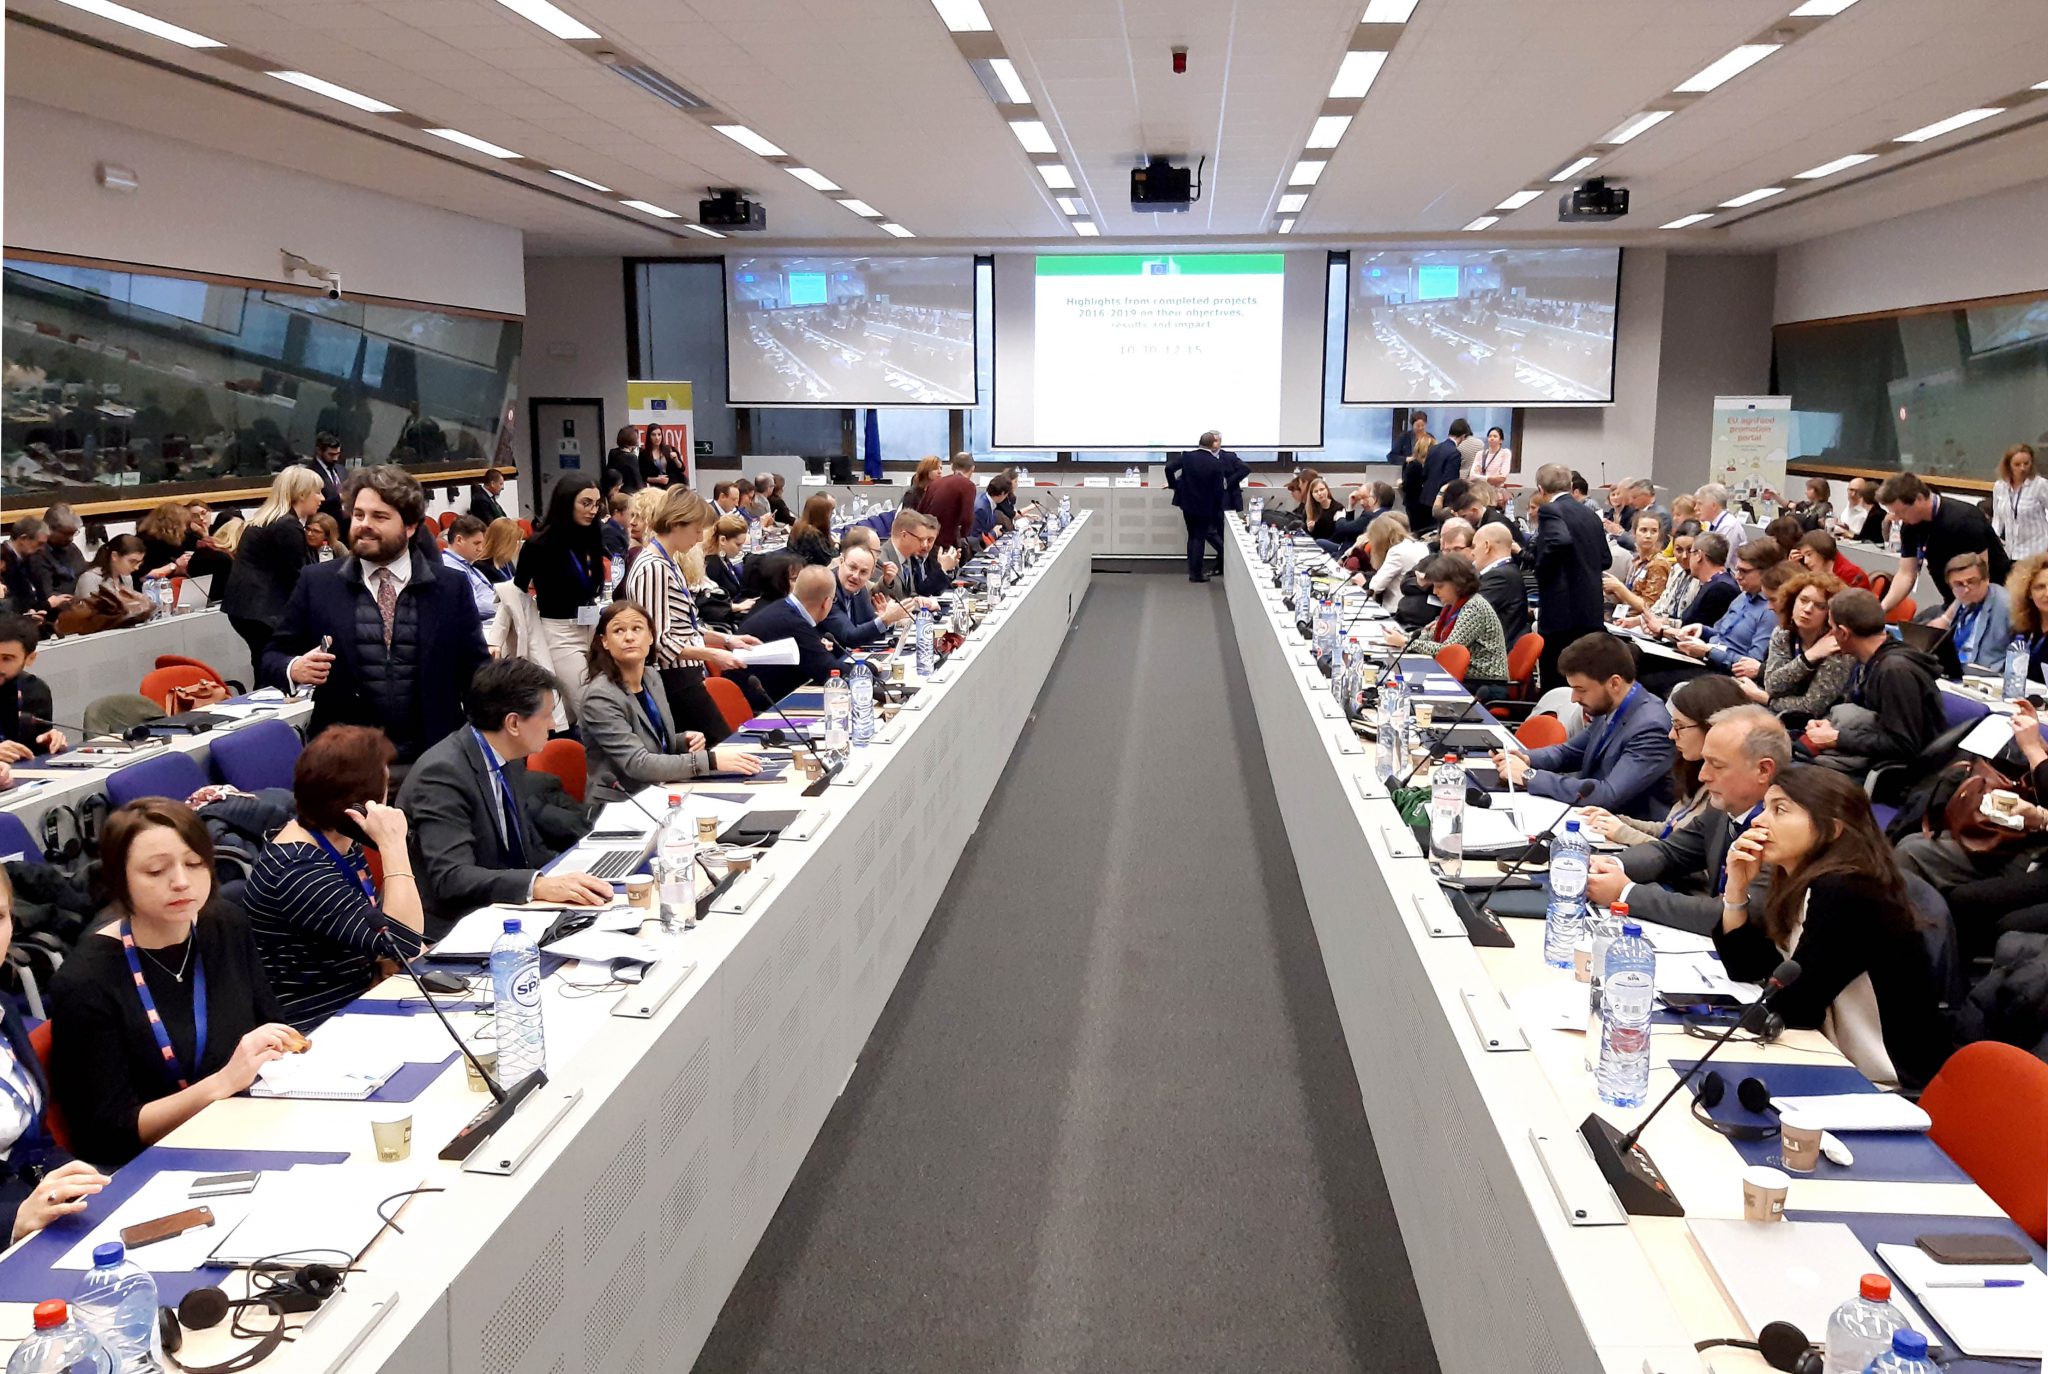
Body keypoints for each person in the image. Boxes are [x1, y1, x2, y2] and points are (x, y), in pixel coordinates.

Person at [46, 800, 297, 1166]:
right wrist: (220, 1084)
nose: (181, 881)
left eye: (194, 864)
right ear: (120, 879)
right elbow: (106, 1134)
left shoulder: (225, 924)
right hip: (153, 1162)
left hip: (248, 1126)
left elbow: (270, 1025)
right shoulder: (86, 980)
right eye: (156, 870)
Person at [1717, 767, 1951, 1088]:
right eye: (1764, 807)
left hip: (1884, 1079)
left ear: (1832, 829)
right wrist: (1736, 890)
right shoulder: (1807, 882)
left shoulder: (1848, 892)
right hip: (1834, 1056)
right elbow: (1750, 967)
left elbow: (1797, 1007)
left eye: (1780, 810)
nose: (1758, 821)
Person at [262, 465, 491, 768]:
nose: (364, 525)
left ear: (410, 527)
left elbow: (475, 671)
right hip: (349, 762)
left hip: (433, 758)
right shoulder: (317, 583)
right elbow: (272, 656)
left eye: (379, 517)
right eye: (359, 515)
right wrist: (294, 668)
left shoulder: (450, 586)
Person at [395, 658, 612, 931]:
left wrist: (574, 876)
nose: (552, 725)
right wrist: (537, 885)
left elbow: (522, 850)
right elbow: (452, 876)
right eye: (546, 715)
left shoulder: (506, 757)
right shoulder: (442, 774)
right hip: (452, 926)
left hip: (505, 910)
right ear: (513, 723)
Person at [244, 726, 424, 1029]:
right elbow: (404, 941)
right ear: (359, 805)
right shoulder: (297, 870)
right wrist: (393, 844)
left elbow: (386, 938)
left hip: (362, 998)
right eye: (384, 789)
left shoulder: (338, 840)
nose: (387, 802)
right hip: (319, 1025)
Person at [1582, 703, 1789, 935]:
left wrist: (1625, 893)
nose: (1703, 775)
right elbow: (1670, 852)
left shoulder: (1785, 833)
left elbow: (1736, 914)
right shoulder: (1723, 809)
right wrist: (1610, 865)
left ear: (1763, 770)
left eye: (1717, 765)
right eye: (1705, 761)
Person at [0, 867, 110, 1241]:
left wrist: (88, 1182)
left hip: (41, 1211)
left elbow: (34, 1143)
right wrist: (11, 1221)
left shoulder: (3, 1010)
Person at [581, 602, 762, 803]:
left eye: (637, 628)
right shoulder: (600, 697)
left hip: (661, 791)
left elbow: (649, 742)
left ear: (651, 636)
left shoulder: (651, 677)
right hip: (621, 805)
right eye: (618, 631)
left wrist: (680, 741)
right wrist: (710, 760)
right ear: (605, 641)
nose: (629, 637)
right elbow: (638, 763)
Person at [623, 487, 763, 743]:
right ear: (676, 524)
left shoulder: (668, 562)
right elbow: (659, 642)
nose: (700, 538)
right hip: (672, 680)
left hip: (685, 675)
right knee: (721, 746)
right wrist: (713, 654)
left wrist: (726, 640)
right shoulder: (652, 567)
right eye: (697, 530)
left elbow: (683, 625)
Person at [1493, 633, 1674, 816]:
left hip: (1625, 824)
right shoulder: (1611, 706)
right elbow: (1569, 752)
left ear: (1614, 683)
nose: (1573, 698)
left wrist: (1530, 776)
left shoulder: (1651, 727)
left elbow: (1608, 795)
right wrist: (1526, 758)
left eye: (1581, 690)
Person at [1579, 675, 1753, 849]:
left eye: (1679, 726)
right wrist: (1617, 821)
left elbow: (1686, 858)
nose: (1671, 735)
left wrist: (1623, 832)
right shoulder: (1693, 768)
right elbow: (1669, 830)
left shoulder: (1728, 791)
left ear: (1711, 727)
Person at [1802, 588, 1945, 774]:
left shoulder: (1895, 672)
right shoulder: (1869, 660)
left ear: (1843, 633)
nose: (1830, 634)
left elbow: (1904, 744)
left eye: (1832, 628)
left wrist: (1837, 738)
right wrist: (1828, 727)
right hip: (1866, 758)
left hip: (1897, 776)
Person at [514, 476, 608, 720]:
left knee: (596, 699)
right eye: (586, 503)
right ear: (566, 502)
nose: (593, 510)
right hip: (559, 632)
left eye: (596, 504)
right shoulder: (539, 544)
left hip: (591, 627)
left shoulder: (590, 535)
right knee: (587, 704)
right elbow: (518, 588)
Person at [222, 466, 321, 678]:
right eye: (317, 492)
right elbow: (298, 577)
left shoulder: (263, 520)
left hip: (244, 609)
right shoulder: (287, 525)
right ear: (302, 494)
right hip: (264, 610)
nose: (321, 498)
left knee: (263, 662)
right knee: (275, 667)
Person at [1523, 462, 1606, 690]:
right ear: (1570, 486)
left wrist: (1542, 570)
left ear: (1541, 489)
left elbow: (1559, 541)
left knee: (1556, 680)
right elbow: (1605, 559)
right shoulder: (1590, 514)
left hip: (1561, 611)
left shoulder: (1550, 510)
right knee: (1584, 682)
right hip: (1590, 611)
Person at [1878, 472, 2010, 613]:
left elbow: (1980, 581)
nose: (1898, 518)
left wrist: (1947, 618)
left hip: (1989, 602)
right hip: (1954, 600)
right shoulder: (1910, 526)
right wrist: (1881, 609)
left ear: (1919, 498)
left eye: (1901, 511)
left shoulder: (1964, 520)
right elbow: (1906, 574)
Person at [1662, 537, 1782, 680]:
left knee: (1655, 677)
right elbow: (1719, 633)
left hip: (1725, 675)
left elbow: (1751, 665)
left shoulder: (1771, 611)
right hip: (1707, 660)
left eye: (1744, 571)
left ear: (1766, 572)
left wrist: (1708, 651)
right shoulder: (1743, 597)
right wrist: (1702, 630)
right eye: (1737, 570)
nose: (1738, 577)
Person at [1740, 570, 1852, 722]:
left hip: (1820, 725)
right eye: (1803, 600)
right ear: (1792, 601)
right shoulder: (1783, 633)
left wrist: (1767, 700)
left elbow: (1812, 707)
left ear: (1831, 614)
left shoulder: (1838, 647)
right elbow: (1772, 685)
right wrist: (1810, 657)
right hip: (1778, 714)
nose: (1807, 609)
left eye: (1820, 606)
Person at [738, 565, 855, 700]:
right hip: (758, 704)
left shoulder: (784, 609)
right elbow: (830, 672)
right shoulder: (793, 622)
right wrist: (869, 668)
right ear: (827, 602)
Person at [1403, 554, 1507, 699]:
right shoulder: (1454, 606)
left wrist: (1407, 642)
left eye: (1439, 586)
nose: (1434, 592)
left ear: (1458, 584)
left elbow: (1447, 650)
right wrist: (1406, 638)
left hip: (1485, 684)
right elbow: (1431, 637)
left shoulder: (1474, 608)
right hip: (1467, 678)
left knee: (1411, 690)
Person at [1921, 550, 2012, 670]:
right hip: (1954, 669)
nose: (1966, 589)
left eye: (1972, 582)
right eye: (1959, 584)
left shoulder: (2007, 606)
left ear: (1986, 579)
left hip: (1986, 674)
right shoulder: (1962, 600)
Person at [1165, 433, 1236, 582]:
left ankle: (1192, 569)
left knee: (1192, 536)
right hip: (1205, 505)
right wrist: (1218, 507)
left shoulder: (1187, 456)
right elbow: (1218, 490)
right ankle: (1196, 574)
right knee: (1199, 538)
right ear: (1212, 444)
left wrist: (1174, 485)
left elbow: (1169, 468)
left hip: (1187, 503)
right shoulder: (1215, 463)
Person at [821, 543, 910, 649]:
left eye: (863, 572)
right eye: (852, 567)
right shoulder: (827, 587)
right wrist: (886, 619)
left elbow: (868, 628)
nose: (855, 576)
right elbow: (850, 636)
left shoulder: (859, 588)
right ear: (841, 562)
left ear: (870, 575)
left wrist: (885, 618)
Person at [0, 615, 63, 763]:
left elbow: (29, 751)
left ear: (30, 658)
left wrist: (46, 742)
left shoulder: (34, 690)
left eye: (7, 658)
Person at [1350, 514, 1429, 612]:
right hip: (1417, 605)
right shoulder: (1421, 546)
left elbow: (1375, 587)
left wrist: (1363, 582)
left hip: (1395, 608)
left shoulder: (1397, 551)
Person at [877, 509, 957, 601]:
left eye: (928, 540)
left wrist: (922, 602)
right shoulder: (880, 561)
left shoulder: (907, 558)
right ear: (904, 536)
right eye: (921, 539)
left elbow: (912, 594)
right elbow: (882, 601)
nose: (925, 545)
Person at [1602, 512, 1673, 615]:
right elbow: (1630, 598)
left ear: (1658, 535)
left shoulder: (1658, 564)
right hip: (1626, 615)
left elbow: (1649, 607)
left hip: (1643, 621)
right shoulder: (1637, 560)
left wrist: (1619, 588)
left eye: (1654, 531)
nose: (1648, 536)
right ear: (1634, 533)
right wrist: (1614, 590)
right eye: (1643, 530)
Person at [0, 518, 69, 621]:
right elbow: (11, 604)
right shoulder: (3, 559)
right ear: (23, 539)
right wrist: (48, 604)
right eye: (40, 543)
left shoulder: (27, 559)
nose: (42, 548)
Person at [1472, 523, 1529, 648]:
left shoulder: (1499, 577)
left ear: (1486, 546)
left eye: (1474, 546)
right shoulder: (1505, 571)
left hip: (1493, 652)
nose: (1472, 553)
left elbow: (1470, 615)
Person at [1991, 442, 2048, 561]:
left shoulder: (2040, 485)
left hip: (2037, 550)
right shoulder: (2000, 486)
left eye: (2026, 464)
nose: (2022, 468)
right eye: (2017, 464)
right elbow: (1997, 519)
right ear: (2008, 465)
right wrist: (1993, 542)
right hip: (2010, 551)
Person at [441, 515, 498, 622]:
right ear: (459, 540)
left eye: (482, 543)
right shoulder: (449, 568)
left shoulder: (469, 565)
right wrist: (505, 606)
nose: (481, 549)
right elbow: (471, 606)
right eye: (476, 543)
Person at [923, 452, 980, 551]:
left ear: (952, 467)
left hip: (926, 539)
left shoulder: (935, 483)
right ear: (973, 468)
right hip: (946, 543)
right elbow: (967, 519)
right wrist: (962, 540)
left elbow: (921, 510)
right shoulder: (968, 485)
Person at [29, 505, 86, 600]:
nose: (71, 539)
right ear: (49, 529)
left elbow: (83, 573)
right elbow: (47, 594)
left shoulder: (71, 548)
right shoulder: (38, 554)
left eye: (73, 534)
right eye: (66, 534)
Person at [704, 513, 755, 614]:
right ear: (723, 540)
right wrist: (738, 606)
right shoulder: (712, 565)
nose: (740, 549)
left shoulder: (722, 558)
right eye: (738, 544)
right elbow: (713, 605)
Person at [1790, 529, 1870, 590]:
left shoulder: (1852, 574)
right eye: (1804, 556)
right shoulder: (1814, 572)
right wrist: (1792, 568)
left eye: (1809, 554)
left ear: (1822, 550)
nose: (1806, 561)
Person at [74, 534, 147, 601]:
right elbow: (89, 609)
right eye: (132, 561)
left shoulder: (127, 578)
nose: (136, 568)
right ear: (114, 556)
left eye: (139, 563)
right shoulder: (90, 578)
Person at [303, 432, 348, 526]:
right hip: (323, 524)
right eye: (331, 454)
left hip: (345, 523)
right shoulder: (309, 473)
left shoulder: (341, 470)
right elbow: (309, 503)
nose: (335, 458)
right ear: (319, 451)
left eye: (337, 454)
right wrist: (338, 498)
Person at [786, 494, 838, 567]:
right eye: (829, 512)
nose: (830, 515)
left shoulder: (797, 527)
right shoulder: (812, 534)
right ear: (821, 514)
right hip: (812, 571)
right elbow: (828, 560)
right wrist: (837, 545)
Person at [1828, 477, 1883, 545]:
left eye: (1857, 492)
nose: (1853, 494)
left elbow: (1864, 539)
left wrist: (1845, 532)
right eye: (1851, 490)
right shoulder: (1848, 506)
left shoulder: (1874, 515)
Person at [1694, 482, 1746, 549]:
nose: (1696, 508)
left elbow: (1725, 556)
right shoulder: (1711, 523)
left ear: (1713, 506)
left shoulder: (1728, 526)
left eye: (1700, 504)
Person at [1297, 469, 1340, 545]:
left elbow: (1339, 533)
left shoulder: (1338, 508)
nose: (1319, 493)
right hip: (1313, 544)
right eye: (1316, 491)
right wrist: (1310, 529)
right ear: (1312, 495)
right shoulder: (1309, 509)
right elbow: (1305, 533)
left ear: (1327, 490)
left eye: (1322, 489)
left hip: (1332, 543)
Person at [972, 471, 1015, 541]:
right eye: (1007, 494)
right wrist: (994, 533)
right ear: (1002, 493)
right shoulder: (981, 509)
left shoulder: (985, 498)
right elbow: (975, 539)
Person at [603, 426, 644, 497]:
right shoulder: (631, 457)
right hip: (629, 493)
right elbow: (637, 479)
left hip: (614, 491)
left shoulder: (613, 452)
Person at [600, 491, 632, 560]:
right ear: (616, 512)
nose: (633, 518)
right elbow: (618, 561)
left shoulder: (622, 530)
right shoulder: (608, 532)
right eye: (630, 514)